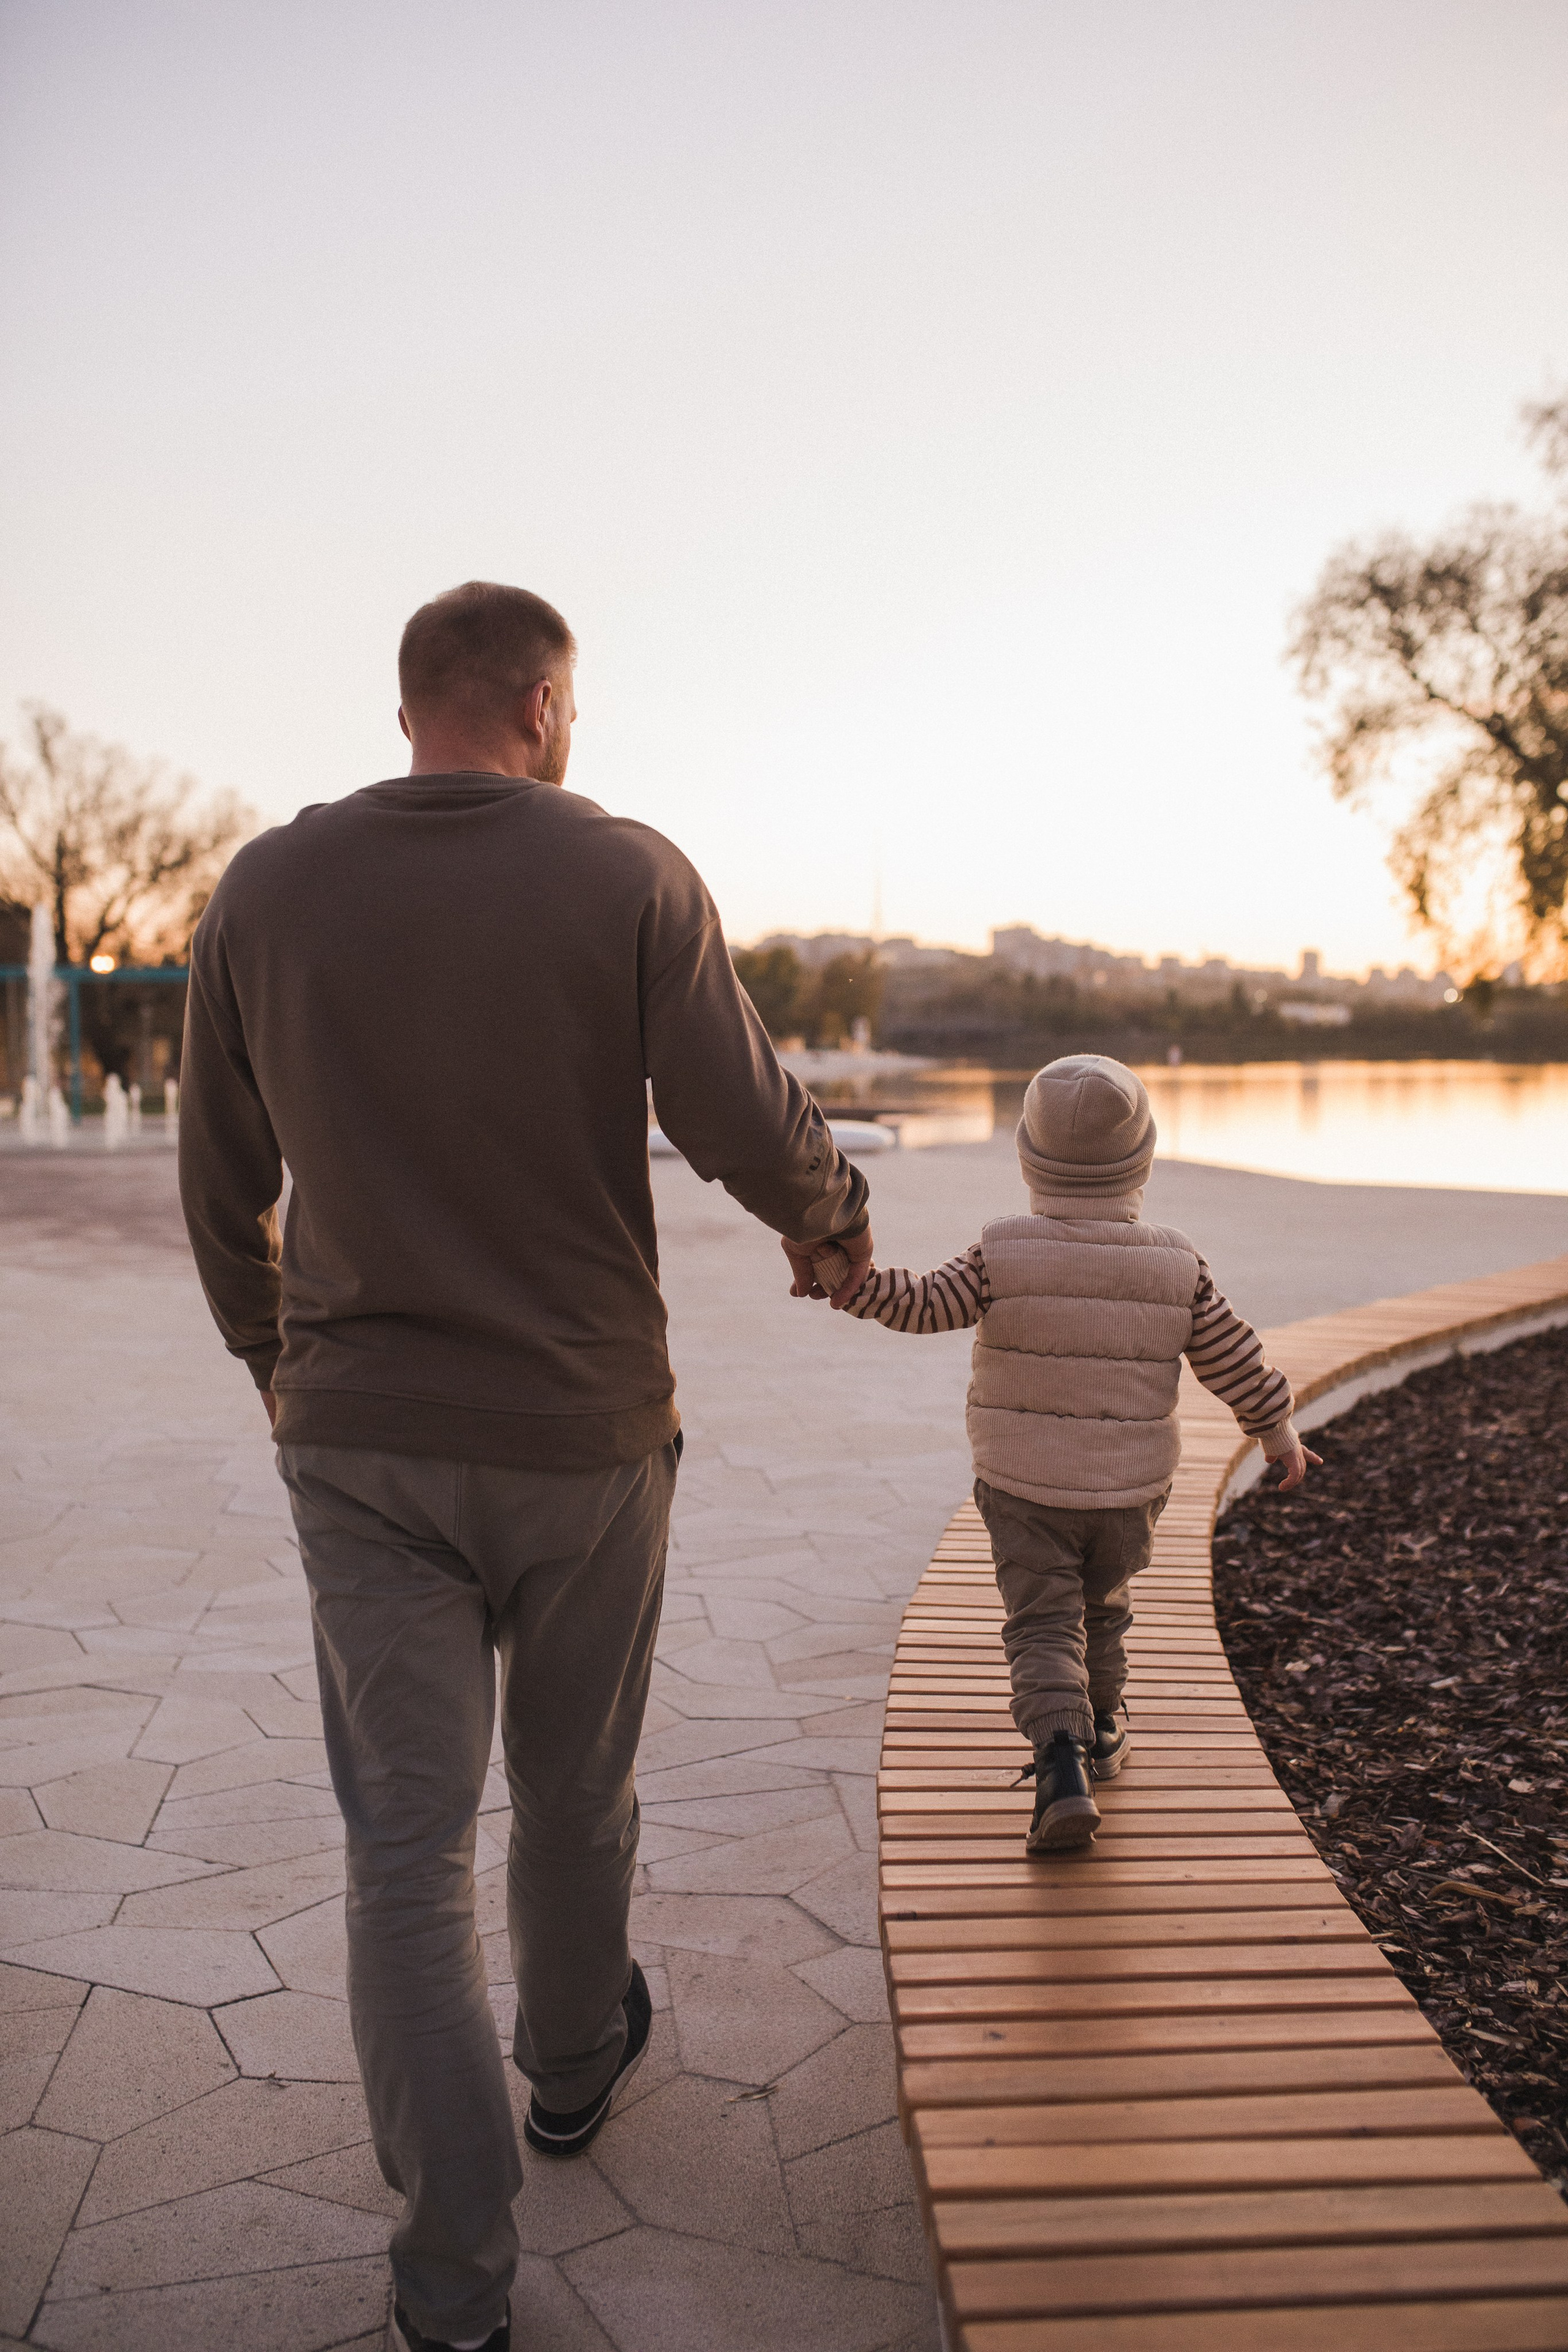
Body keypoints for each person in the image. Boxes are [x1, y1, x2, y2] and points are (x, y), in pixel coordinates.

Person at [176, 582, 873, 2352]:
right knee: (575, 1792)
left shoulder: (263, 888)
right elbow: (739, 1112)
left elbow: (218, 1177)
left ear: (413, 703)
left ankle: (454, 2290)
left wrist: (279, 1361)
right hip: (582, 1431)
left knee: (403, 1849)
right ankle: (571, 2068)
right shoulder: (625, 872)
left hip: (362, 1440)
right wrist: (831, 1223)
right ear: (547, 703)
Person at [834, 1053, 1318, 1851]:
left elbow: (921, 1305)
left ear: (1028, 1155)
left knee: (1041, 1622)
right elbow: (1235, 1357)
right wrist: (1278, 1431)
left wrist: (856, 1285)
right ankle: (1101, 1726)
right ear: (1144, 1158)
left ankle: (1061, 1759)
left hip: (1023, 1486)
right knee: (1103, 1608)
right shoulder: (1176, 1261)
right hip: (1130, 1493)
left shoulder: (1000, 1250)